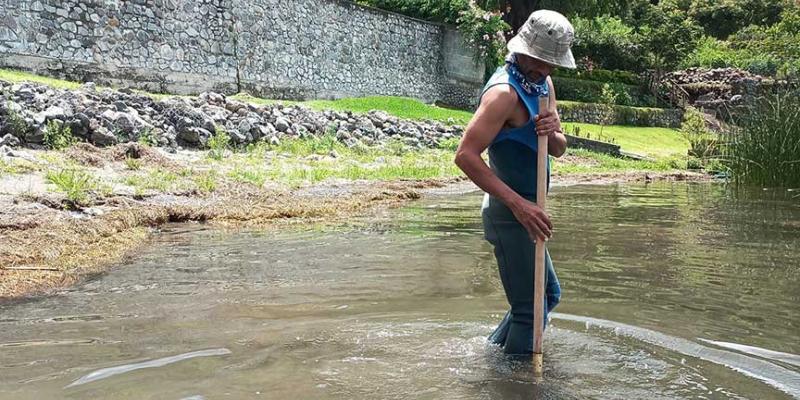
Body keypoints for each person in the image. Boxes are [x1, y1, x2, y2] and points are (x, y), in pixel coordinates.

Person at [454, 9, 576, 356]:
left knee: (547, 297)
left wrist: (553, 131)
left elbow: (559, 149)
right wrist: (519, 205)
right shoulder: (504, 94)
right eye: (540, 60)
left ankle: (491, 356)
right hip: (510, 214)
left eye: (551, 63)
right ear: (522, 49)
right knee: (530, 312)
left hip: (530, 214)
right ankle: (516, 386)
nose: (546, 68)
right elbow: (465, 155)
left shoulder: (543, 85)